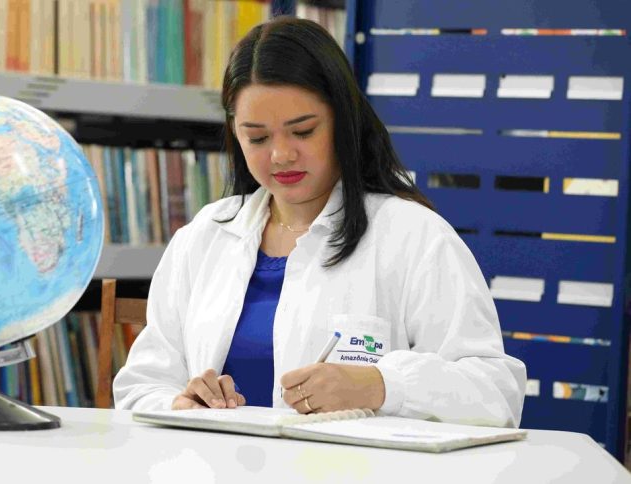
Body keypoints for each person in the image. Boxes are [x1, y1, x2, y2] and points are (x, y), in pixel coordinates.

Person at [113, 16, 526, 427]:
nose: (280, 155)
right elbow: (139, 388)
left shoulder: (414, 236)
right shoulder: (205, 236)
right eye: (257, 138)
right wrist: (181, 404)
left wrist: (382, 385)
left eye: (303, 131)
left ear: (343, 122)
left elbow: (495, 393)